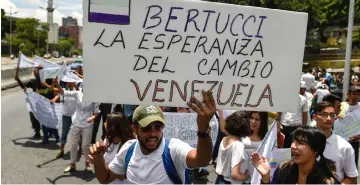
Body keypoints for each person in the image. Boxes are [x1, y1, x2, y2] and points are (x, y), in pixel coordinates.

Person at [89, 90, 215, 184]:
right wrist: (99, 160)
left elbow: (202, 160)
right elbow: (105, 178)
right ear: (134, 129)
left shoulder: (173, 149)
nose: (153, 133)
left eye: (158, 127)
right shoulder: (128, 149)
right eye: (146, 128)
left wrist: (203, 129)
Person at [251, 126, 339, 184]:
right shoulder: (284, 169)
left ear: (315, 150)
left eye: (300, 143)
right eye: (293, 141)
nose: (293, 146)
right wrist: (265, 178)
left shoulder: (327, 181)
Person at [52, 78, 100, 173]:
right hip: (76, 122)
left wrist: (92, 118)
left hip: (87, 124)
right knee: (73, 144)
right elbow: (62, 92)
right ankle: (72, 164)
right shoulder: (78, 94)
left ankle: (87, 164)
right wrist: (57, 84)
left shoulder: (95, 98)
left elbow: (96, 112)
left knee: (85, 145)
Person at [314, 101, 358, 183]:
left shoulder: (345, 147)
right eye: (324, 114)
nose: (329, 118)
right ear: (314, 117)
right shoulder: (304, 142)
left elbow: (351, 176)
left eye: (332, 115)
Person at [215, 111, 250, 184]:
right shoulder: (238, 145)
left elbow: (223, 129)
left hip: (219, 179)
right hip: (230, 182)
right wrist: (246, 176)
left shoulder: (224, 139)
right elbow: (235, 174)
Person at [101, 112, 135, 184]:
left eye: (106, 123)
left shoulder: (128, 145)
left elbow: (122, 175)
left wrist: (100, 162)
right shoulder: (107, 140)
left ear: (114, 127)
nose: (104, 124)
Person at [14, 65, 43, 138]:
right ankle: (37, 131)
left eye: (35, 70)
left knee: (46, 117)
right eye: (33, 70)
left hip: (44, 101)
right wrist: (18, 80)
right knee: (33, 116)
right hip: (35, 102)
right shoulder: (33, 81)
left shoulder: (45, 80)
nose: (33, 71)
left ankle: (51, 131)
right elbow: (24, 86)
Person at [56, 82, 78, 158]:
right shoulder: (64, 90)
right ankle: (61, 150)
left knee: (77, 133)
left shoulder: (78, 90)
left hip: (76, 116)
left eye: (70, 82)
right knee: (64, 133)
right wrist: (56, 83)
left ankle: (81, 148)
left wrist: (74, 85)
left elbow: (81, 95)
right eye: (68, 82)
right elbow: (59, 91)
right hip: (66, 115)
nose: (69, 83)